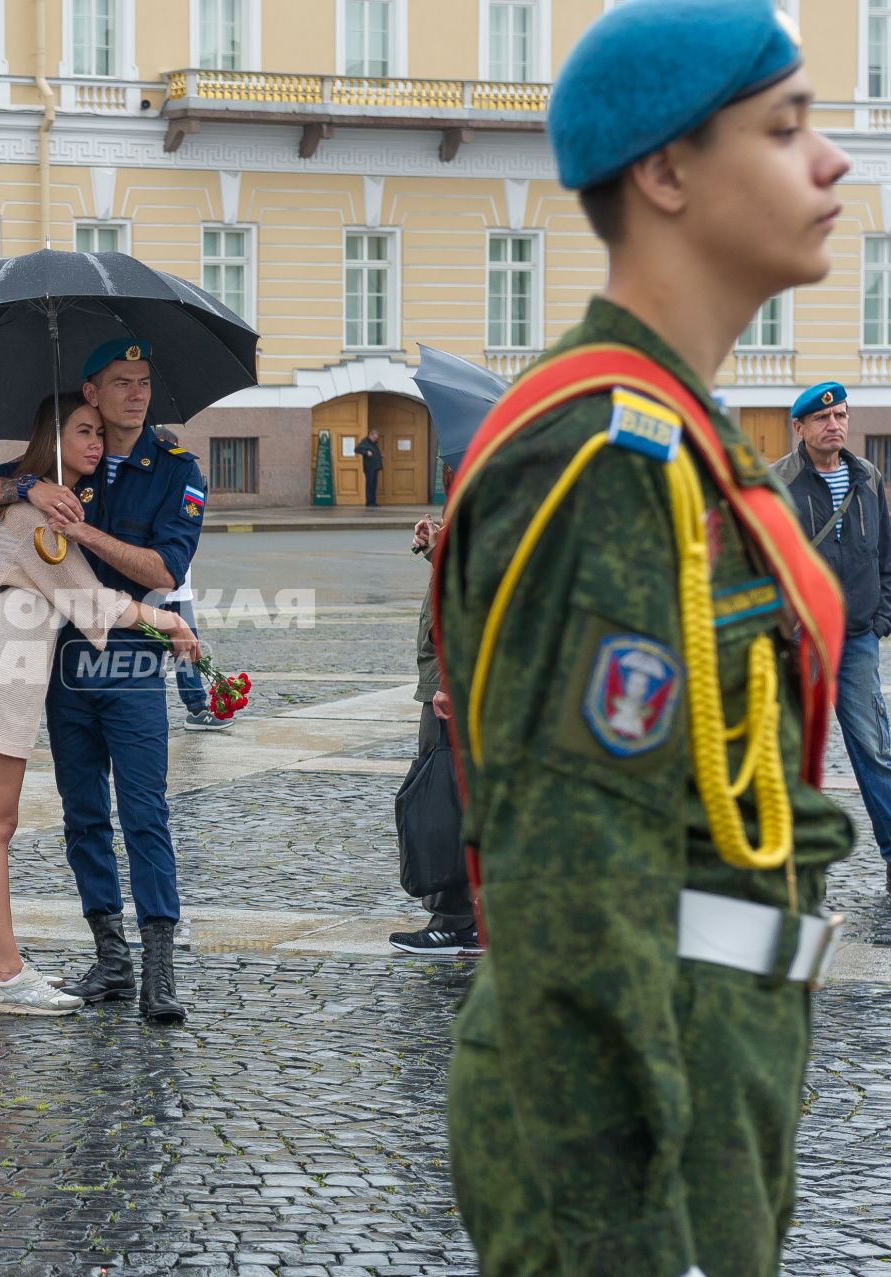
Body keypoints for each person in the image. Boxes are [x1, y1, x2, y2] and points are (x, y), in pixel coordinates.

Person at [433, 3, 853, 1273]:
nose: (830, 160)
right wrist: (624, 1229)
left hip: (713, 1059)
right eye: (785, 129)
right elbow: (571, 889)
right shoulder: (609, 459)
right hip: (630, 1110)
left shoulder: (683, 434)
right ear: (666, 173)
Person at [0, 338, 205, 1025]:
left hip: (126, 665)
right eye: (120, 383)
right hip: (58, 669)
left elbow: (162, 571)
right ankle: (110, 960)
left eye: (144, 382)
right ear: (90, 392)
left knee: (145, 812)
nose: (136, 394)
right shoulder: (65, 458)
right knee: (80, 817)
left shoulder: (174, 470)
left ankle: (158, 971)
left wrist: (86, 534)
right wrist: (31, 486)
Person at [772, 380, 891, 892]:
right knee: (794, 753)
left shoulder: (867, 477)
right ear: (799, 427)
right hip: (801, 642)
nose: (834, 424)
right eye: (822, 418)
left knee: (875, 750)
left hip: (858, 637)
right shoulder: (777, 482)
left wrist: (882, 616)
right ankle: (787, 866)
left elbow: (884, 555)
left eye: (841, 415)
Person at [388, 507, 478, 956]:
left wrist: (447, 681)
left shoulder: (486, 485)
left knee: (444, 797)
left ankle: (455, 920)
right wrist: (436, 548)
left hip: (452, 683)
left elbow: (475, 586)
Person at [155, 426, 231, 732]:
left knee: (187, 650)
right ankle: (147, 714)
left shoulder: (186, 480)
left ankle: (197, 708)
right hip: (146, 589)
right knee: (142, 658)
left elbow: (189, 524)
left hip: (178, 586)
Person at [356, 428, 384, 506]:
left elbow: (374, 452)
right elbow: (357, 449)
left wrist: (379, 455)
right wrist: (366, 452)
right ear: (371, 435)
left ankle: (373, 501)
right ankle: (369, 501)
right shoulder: (365, 442)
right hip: (369, 467)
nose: (376, 439)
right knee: (370, 484)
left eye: (377, 438)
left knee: (374, 484)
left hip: (375, 467)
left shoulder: (374, 443)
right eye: (375, 437)